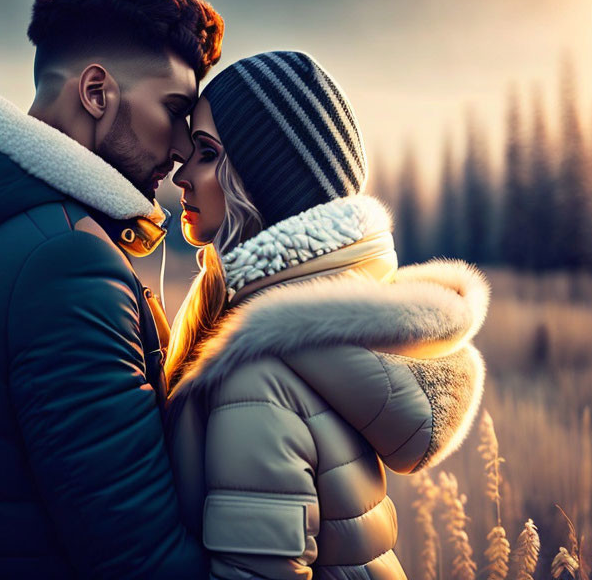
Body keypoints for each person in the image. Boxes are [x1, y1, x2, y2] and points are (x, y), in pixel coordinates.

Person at [0, 0, 223, 579]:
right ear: (97, 93)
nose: (180, 148)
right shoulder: (66, 266)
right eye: (175, 110)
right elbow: (142, 564)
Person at [165, 50, 489, 580]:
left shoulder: (252, 376)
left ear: (260, 180)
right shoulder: (294, 342)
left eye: (205, 152)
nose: (182, 174)